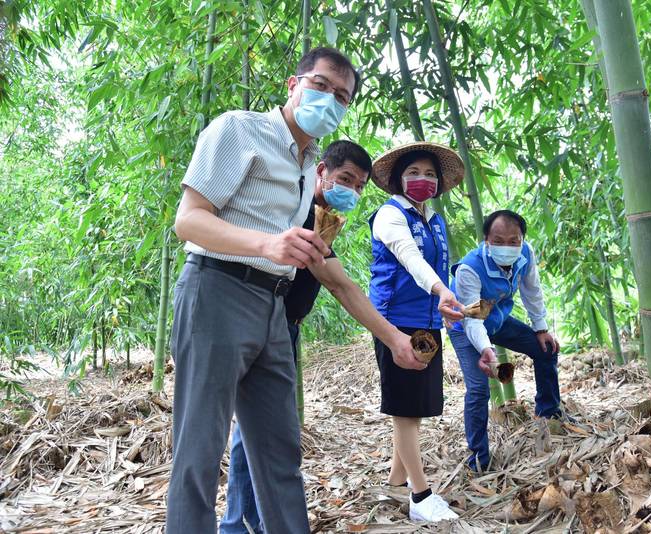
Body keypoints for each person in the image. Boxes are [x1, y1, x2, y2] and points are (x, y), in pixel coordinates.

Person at [168, 47, 422, 534]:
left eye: (341, 96)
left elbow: (337, 279)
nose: (329, 99)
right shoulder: (238, 129)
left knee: (280, 455)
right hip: (217, 291)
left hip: (274, 311)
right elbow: (189, 220)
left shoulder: (308, 169)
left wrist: (394, 339)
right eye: (321, 85)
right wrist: (269, 244)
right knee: (199, 451)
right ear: (294, 84)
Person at [220, 140, 423, 533]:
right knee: (253, 432)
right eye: (345, 179)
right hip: (257, 323)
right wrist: (394, 337)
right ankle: (240, 525)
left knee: (258, 432)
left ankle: (251, 522)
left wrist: (394, 338)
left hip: (286, 329)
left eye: (360, 185)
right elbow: (340, 285)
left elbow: (337, 282)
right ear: (321, 172)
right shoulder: (293, 205)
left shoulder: (325, 216)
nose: (353, 190)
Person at [368, 142, 466, 523]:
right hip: (396, 322)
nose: (422, 179)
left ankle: (395, 482)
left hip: (426, 321)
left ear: (439, 182)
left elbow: (440, 268)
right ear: (398, 179)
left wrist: (446, 305)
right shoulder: (390, 216)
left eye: (429, 173)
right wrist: (441, 291)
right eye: (413, 173)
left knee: (415, 406)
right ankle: (421, 495)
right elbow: (410, 258)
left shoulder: (436, 221)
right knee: (406, 410)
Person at [447, 209, 563, 473]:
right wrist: (486, 350)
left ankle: (548, 412)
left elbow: (532, 290)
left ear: (522, 240)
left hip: (497, 319)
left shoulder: (525, 254)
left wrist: (541, 328)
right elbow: (473, 320)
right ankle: (478, 457)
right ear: (486, 240)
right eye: (498, 241)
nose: (507, 247)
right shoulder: (470, 268)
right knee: (479, 390)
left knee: (545, 349)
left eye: (514, 241)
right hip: (466, 327)